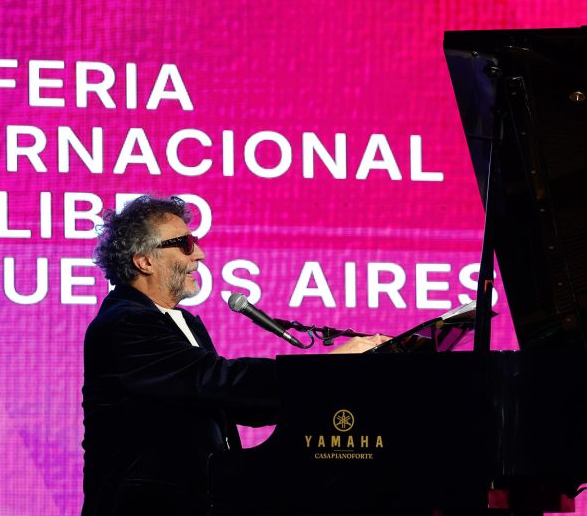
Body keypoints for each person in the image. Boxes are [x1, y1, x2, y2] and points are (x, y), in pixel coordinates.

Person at [81, 195, 385, 515]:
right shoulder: (125, 324)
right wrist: (331, 366)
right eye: (185, 244)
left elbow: (233, 404)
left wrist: (322, 392)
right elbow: (219, 381)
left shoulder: (181, 322)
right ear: (144, 261)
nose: (199, 254)